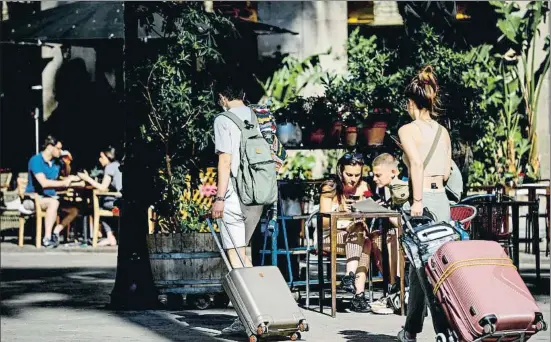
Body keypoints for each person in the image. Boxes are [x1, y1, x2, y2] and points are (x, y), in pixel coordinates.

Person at [397, 66, 452, 342]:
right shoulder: (443, 132)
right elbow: (446, 172)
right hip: (442, 200)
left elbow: (416, 163)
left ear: (411, 103)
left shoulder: (407, 130)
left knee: (421, 267)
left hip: (423, 200)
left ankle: (440, 330)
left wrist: (416, 201)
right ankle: (412, 330)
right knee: (433, 266)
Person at [211, 83, 268, 335]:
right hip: (258, 192)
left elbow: (225, 161)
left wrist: (219, 197)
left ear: (222, 96)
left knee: (235, 259)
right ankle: (260, 312)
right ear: (243, 95)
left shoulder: (223, 119)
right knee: (245, 254)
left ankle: (249, 318)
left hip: (234, 194)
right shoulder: (260, 115)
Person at [319, 152, 386, 313]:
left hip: (356, 235)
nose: (353, 179)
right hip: (331, 235)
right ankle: (358, 294)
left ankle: (351, 281)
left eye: (357, 174)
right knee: (362, 237)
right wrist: (340, 211)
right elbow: (323, 222)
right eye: (349, 174)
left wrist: (369, 205)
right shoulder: (330, 187)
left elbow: (371, 208)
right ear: (340, 170)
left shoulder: (363, 186)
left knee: (365, 238)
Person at [22, 135, 80, 247]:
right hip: (33, 199)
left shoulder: (56, 163)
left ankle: (56, 232)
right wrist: (64, 182)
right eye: (58, 148)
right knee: (54, 203)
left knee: (74, 210)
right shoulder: (36, 160)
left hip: (51, 198)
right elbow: (44, 183)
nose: (60, 151)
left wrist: (67, 162)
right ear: (49, 147)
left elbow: (66, 175)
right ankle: (47, 238)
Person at [78, 146, 122, 246]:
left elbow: (102, 187)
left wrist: (87, 178)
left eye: (102, 157)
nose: (99, 159)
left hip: (119, 202)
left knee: (100, 206)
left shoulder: (110, 167)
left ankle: (110, 237)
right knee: (106, 203)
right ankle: (111, 236)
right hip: (125, 200)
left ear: (108, 157)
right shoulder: (118, 165)